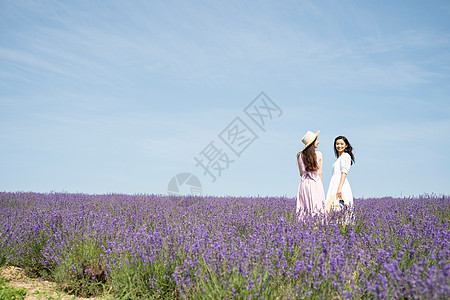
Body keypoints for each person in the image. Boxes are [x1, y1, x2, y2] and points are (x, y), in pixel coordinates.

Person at [296, 130, 326, 217]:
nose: (318, 142)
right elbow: (320, 173)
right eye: (317, 140)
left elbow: (301, 173)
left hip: (304, 183)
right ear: (312, 142)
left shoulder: (299, 155)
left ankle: (304, 227)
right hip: (316, 183)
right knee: (318, 206)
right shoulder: (319, 154)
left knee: (304, 207)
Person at [326, 136, 355, 208]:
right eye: (337, 144)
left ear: (346, 145)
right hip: (334, 183)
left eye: (342, 144)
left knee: (340, 207)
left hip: (340, 184)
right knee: (332, 207)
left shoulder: (345, 156)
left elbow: (344, 172)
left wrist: (339, 188)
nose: (339, 146)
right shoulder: (339, 158)